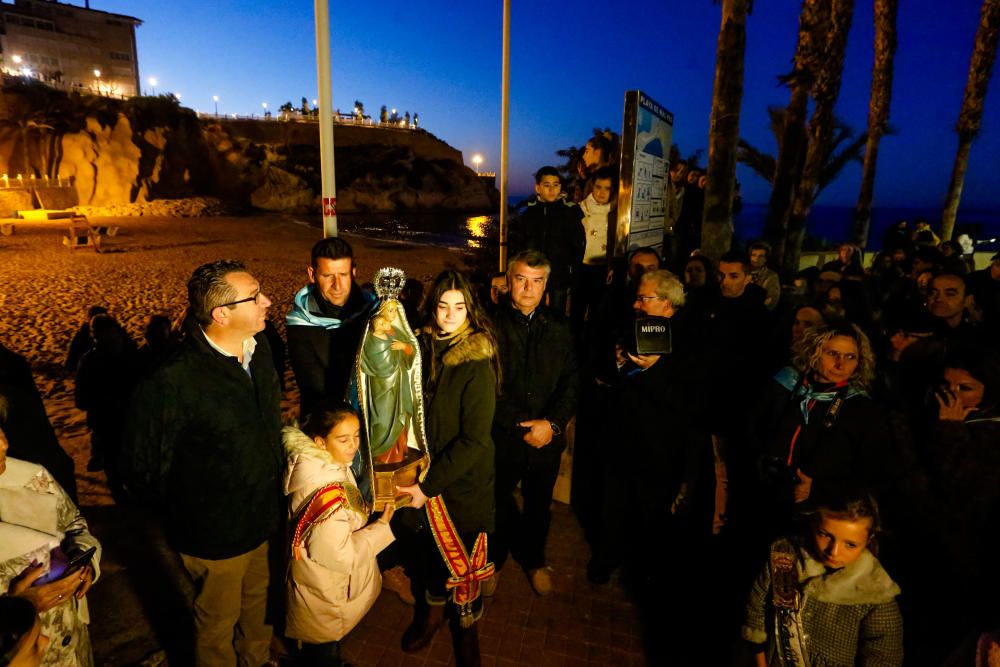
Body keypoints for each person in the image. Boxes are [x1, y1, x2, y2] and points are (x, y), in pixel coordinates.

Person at [122, 260, 283, 667]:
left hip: (261, 518)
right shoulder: (173, 380)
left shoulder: (260, 346)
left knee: (259, 608)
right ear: (221, 314)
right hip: (214, 536)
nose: (267, 301)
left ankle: (258, 661)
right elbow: (144, 467)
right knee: (216, 624)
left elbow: (268, 420)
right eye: (255, 296)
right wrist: (193, 510)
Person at [395, 270, 500, 666]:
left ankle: (466, 631)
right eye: (443, 306)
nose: (450, 314)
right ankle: (432, 612)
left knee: (462, 561)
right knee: (425, 555)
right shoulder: (423, 348)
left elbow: (474, 440)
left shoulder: (476, 361)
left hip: (461, 484)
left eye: (459, 307)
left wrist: (429, 485)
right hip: (423, 471)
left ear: (470, 310)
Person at [491, 251, 579, 597]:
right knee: (496, 500)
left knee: (539, 503)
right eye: (521, 279)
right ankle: (493, 561)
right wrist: (521, 424)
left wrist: (552, 425)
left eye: (537, 281)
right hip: (504, 436)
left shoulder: (562, 327)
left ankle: (535, 559)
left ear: (546, 286)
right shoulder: (491, 324)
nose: (528, 289)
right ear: (509, 281)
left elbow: (572, 380)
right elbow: (488, 383)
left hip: (547, 437)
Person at [751, 323, 887, 539]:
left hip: (818, 512)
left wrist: (819, 488)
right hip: (761, 498)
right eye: (833, 353)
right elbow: (751, 433)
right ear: (813, 352)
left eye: (850, 357)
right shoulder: (784, 386)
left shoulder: (862, 409)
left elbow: (871, 472)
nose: (841, 363)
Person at [283, 406, 395, 666]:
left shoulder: (317, 465)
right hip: (326, 590)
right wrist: (383, 526)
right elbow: (340, 556)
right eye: (343, 439)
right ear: (321, 441)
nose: (353, 446)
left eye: (356, 436)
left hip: (317, 581)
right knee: (323, 651)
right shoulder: (327, 494)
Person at [742, 491, 903, 666]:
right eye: (825, 535)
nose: (833, 552)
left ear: (869, 539)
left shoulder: (876, 593)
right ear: (813, 523)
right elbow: (756, 608)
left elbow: (883, 658)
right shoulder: (785, 558)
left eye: (850, 544)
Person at [0, 404, 101, 667]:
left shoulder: (31, 478)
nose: (3, 444)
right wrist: (19, 609)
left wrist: (85, 561)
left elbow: (75, 526)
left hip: (74, 648)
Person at [287, 237, 377, 417]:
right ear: (312, 274)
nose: (337, 286)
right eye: (328, 276)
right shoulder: (299, 323)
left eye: (343, 275)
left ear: (353, 272)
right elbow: (313, 388)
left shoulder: (374, 312)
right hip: (327, 421)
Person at [508, 166, 585, 315]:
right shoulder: (527, 211)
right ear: (538, 188)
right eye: (546, 185)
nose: (552, 190)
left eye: (556, 185)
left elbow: (579, 245)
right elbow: (518, 242)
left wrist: (573, 272)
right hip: (532, 273)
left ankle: (553, 337)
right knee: (532, 309)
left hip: (559, 273)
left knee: (557, 312)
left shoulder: (570, 211)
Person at [572, 166, 615, 328]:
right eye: (598, 187)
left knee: (597, 315)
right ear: (592, 186)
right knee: (577, 312)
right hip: (582, 268)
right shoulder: (580, 209)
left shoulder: (617, 212)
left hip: (604, 269)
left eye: (607, 188)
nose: (602, 192)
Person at [748, 241, 781, 311]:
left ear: (765, 259)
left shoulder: (771, 276)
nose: (756, 259)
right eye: (753, 255)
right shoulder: (744, 272)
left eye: (761, 256)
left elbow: (772, 299)